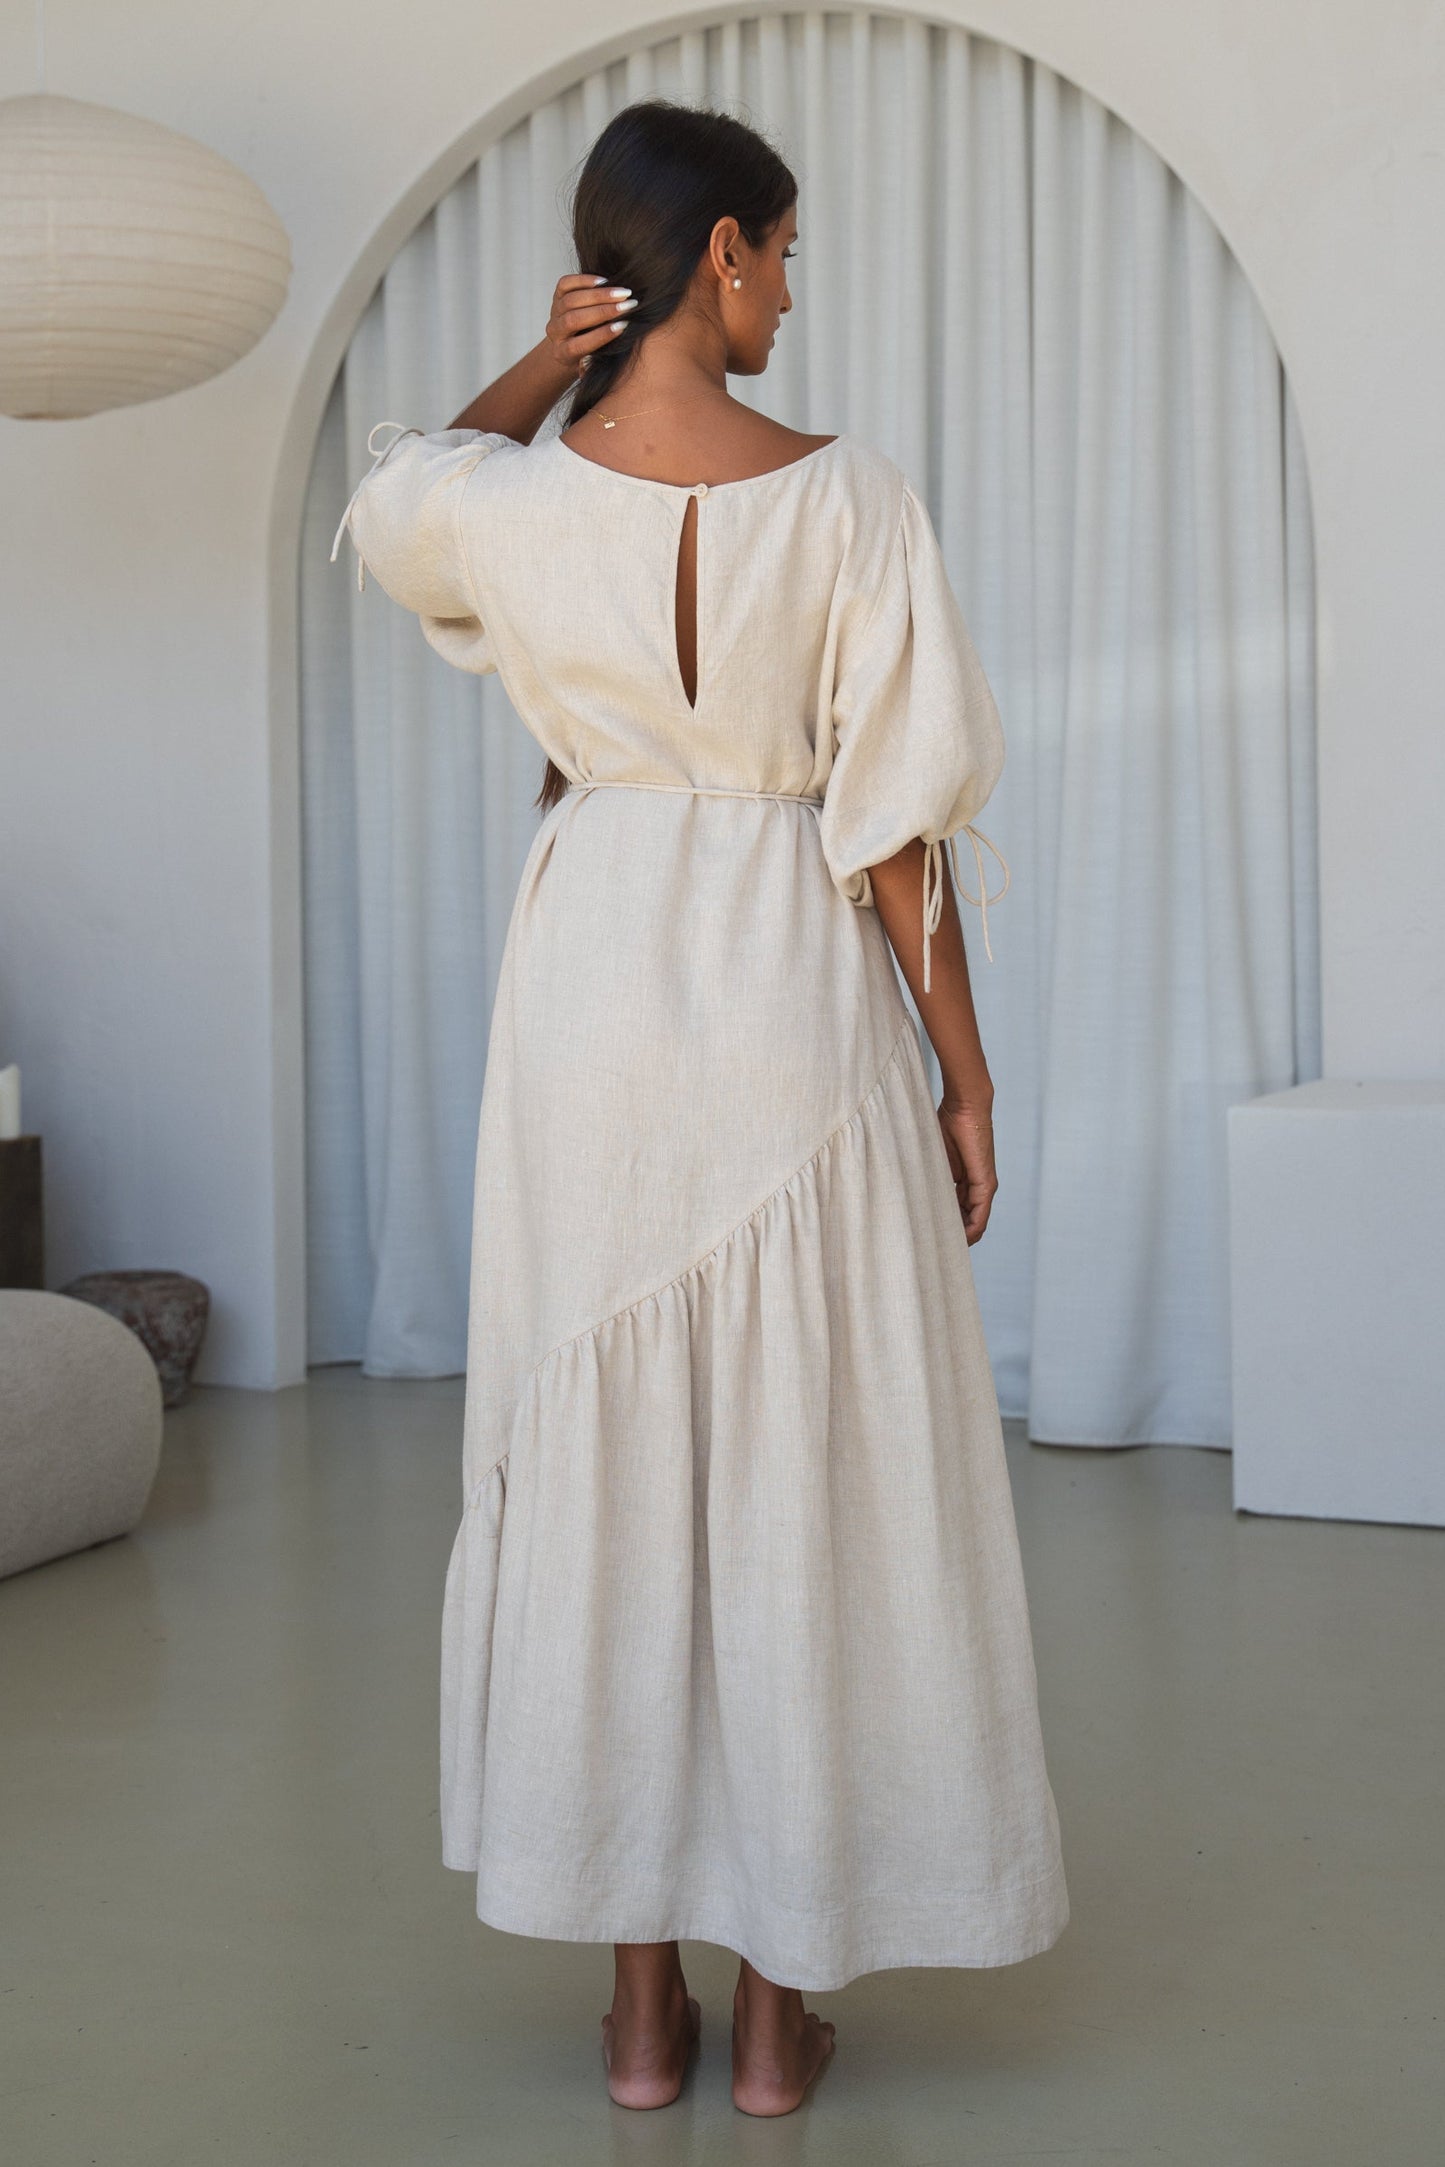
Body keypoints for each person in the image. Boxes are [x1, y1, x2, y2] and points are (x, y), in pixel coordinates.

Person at [330, 98, 1069, 2118]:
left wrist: (543, 361)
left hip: (586, 999)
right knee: (802, 1475)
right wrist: (965, 1077)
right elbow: (893, 825)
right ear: (721, 252)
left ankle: (642, 2014)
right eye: (783, 252)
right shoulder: (850, 498)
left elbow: (403, 495)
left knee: (612, 1478)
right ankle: (770, 2022)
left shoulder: (514, 502)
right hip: (784, 998)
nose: (792, 293)